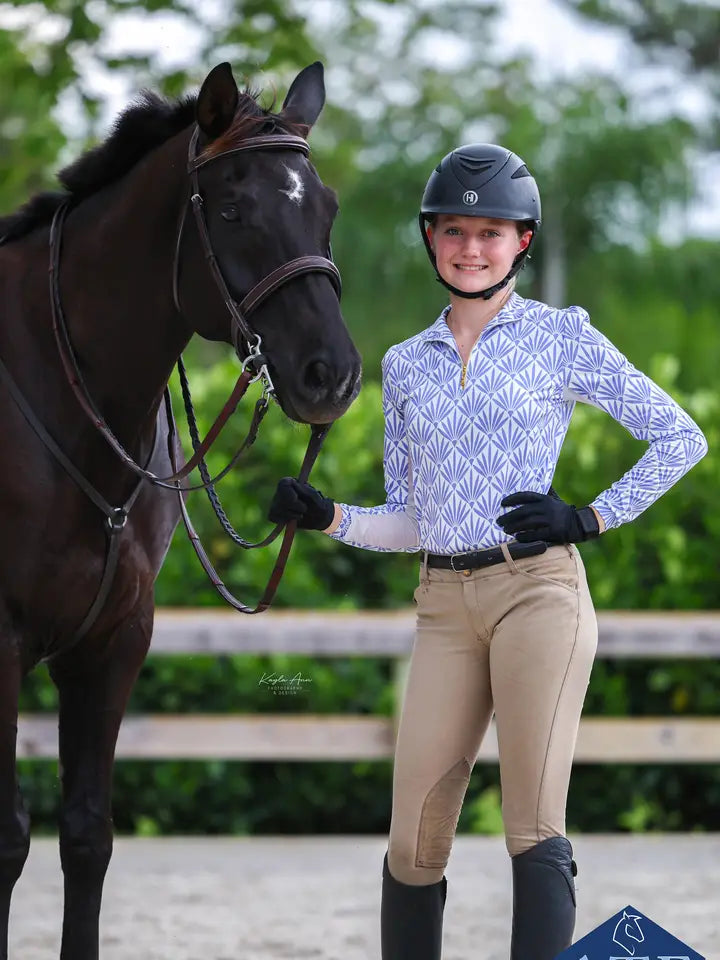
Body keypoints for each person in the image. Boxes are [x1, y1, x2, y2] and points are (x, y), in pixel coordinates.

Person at [267, 143, 708, 959]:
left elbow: (680, 438)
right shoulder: (404, 366)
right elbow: (413, 522)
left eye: (492, 232)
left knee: (532, 825)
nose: (472, 247)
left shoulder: (562, 337)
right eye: (455, 230)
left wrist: (591, 517)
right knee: (413, 844)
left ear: (523, 243)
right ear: (431, 239)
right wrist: (328, 516)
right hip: (443, 609)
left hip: (539, 595)